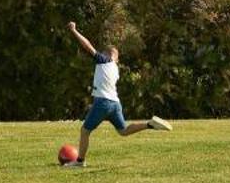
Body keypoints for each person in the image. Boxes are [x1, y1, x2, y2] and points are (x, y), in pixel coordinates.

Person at [63, 20, 169, 164]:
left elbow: (87, 46)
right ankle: (150, 124)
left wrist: (74, 30)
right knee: (123, 130)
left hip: (103, 102)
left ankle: (80, 161)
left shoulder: (104, 61)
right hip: (115, 104)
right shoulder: (115, 69)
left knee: (85, 131)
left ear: (109, 55)